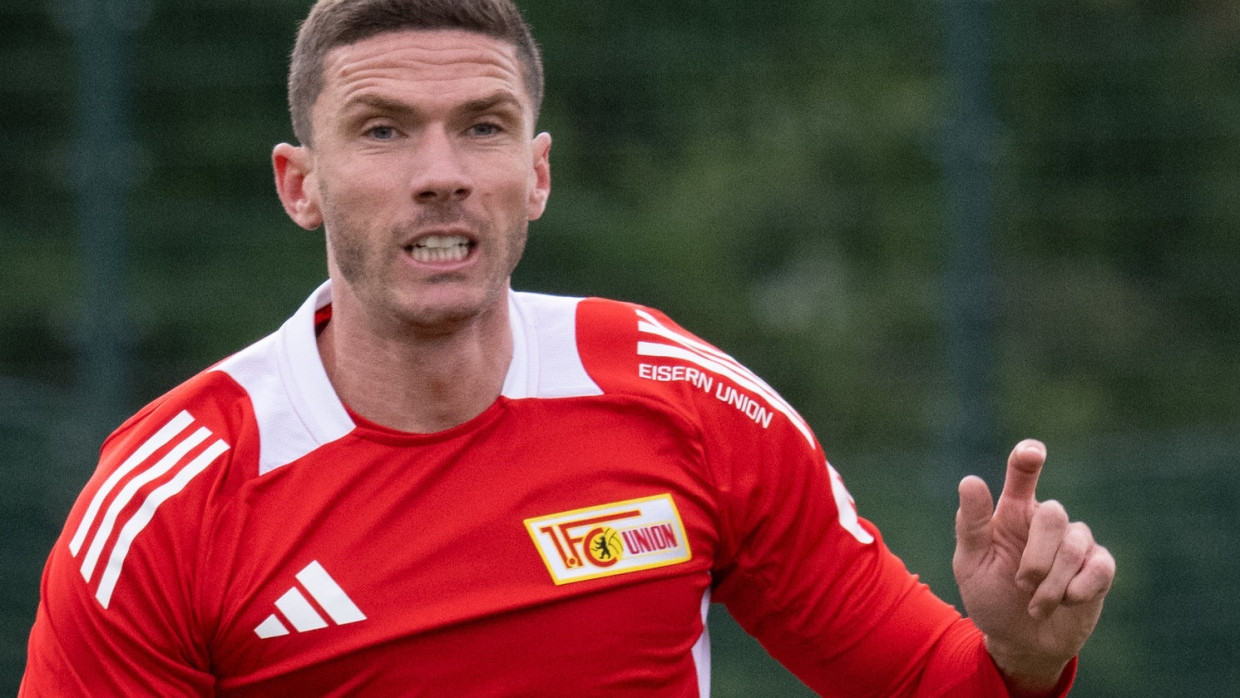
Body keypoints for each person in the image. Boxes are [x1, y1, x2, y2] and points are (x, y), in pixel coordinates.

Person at [21, 0, 1115, 695]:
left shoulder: (681, 395)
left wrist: (1024, 660)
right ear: (300, 185)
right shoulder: (171, 504)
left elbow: (928, 682)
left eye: (483, 126)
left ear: (536, 174)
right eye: (384, 129)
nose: (441, 173)